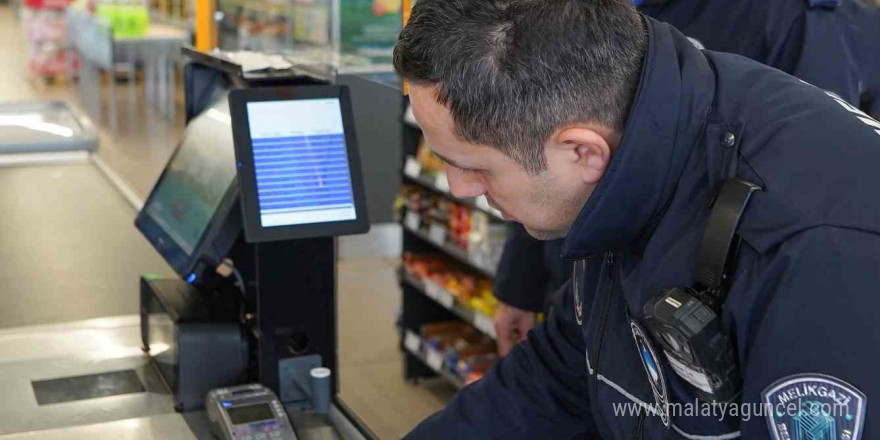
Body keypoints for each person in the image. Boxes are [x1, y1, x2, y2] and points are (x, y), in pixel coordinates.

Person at [395, 0, 880, 438]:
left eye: (474, 166)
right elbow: (556, 376)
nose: (460, 188)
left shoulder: (818, 253)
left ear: (582, 152)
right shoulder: (639, 119)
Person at [492, 0, 880, 356]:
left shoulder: (789, 18)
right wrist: (520, 282)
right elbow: (536, 144)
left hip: (699, 333)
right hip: (582, 295)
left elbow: (813, 206)